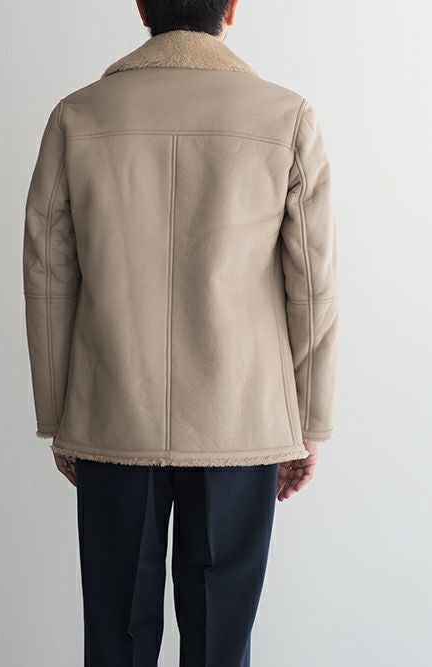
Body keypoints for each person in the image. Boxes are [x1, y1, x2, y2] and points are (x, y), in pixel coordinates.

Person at [22, 0, 339, 664]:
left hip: (114, 413)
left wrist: (60, 415)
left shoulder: (78, 116)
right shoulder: (284, 118)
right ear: (232, 8)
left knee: (116, 642)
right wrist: (308, 420)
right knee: (221, 644)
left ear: (142, 7)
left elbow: (47, 272)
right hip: (240, 422)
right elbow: (313, 283)